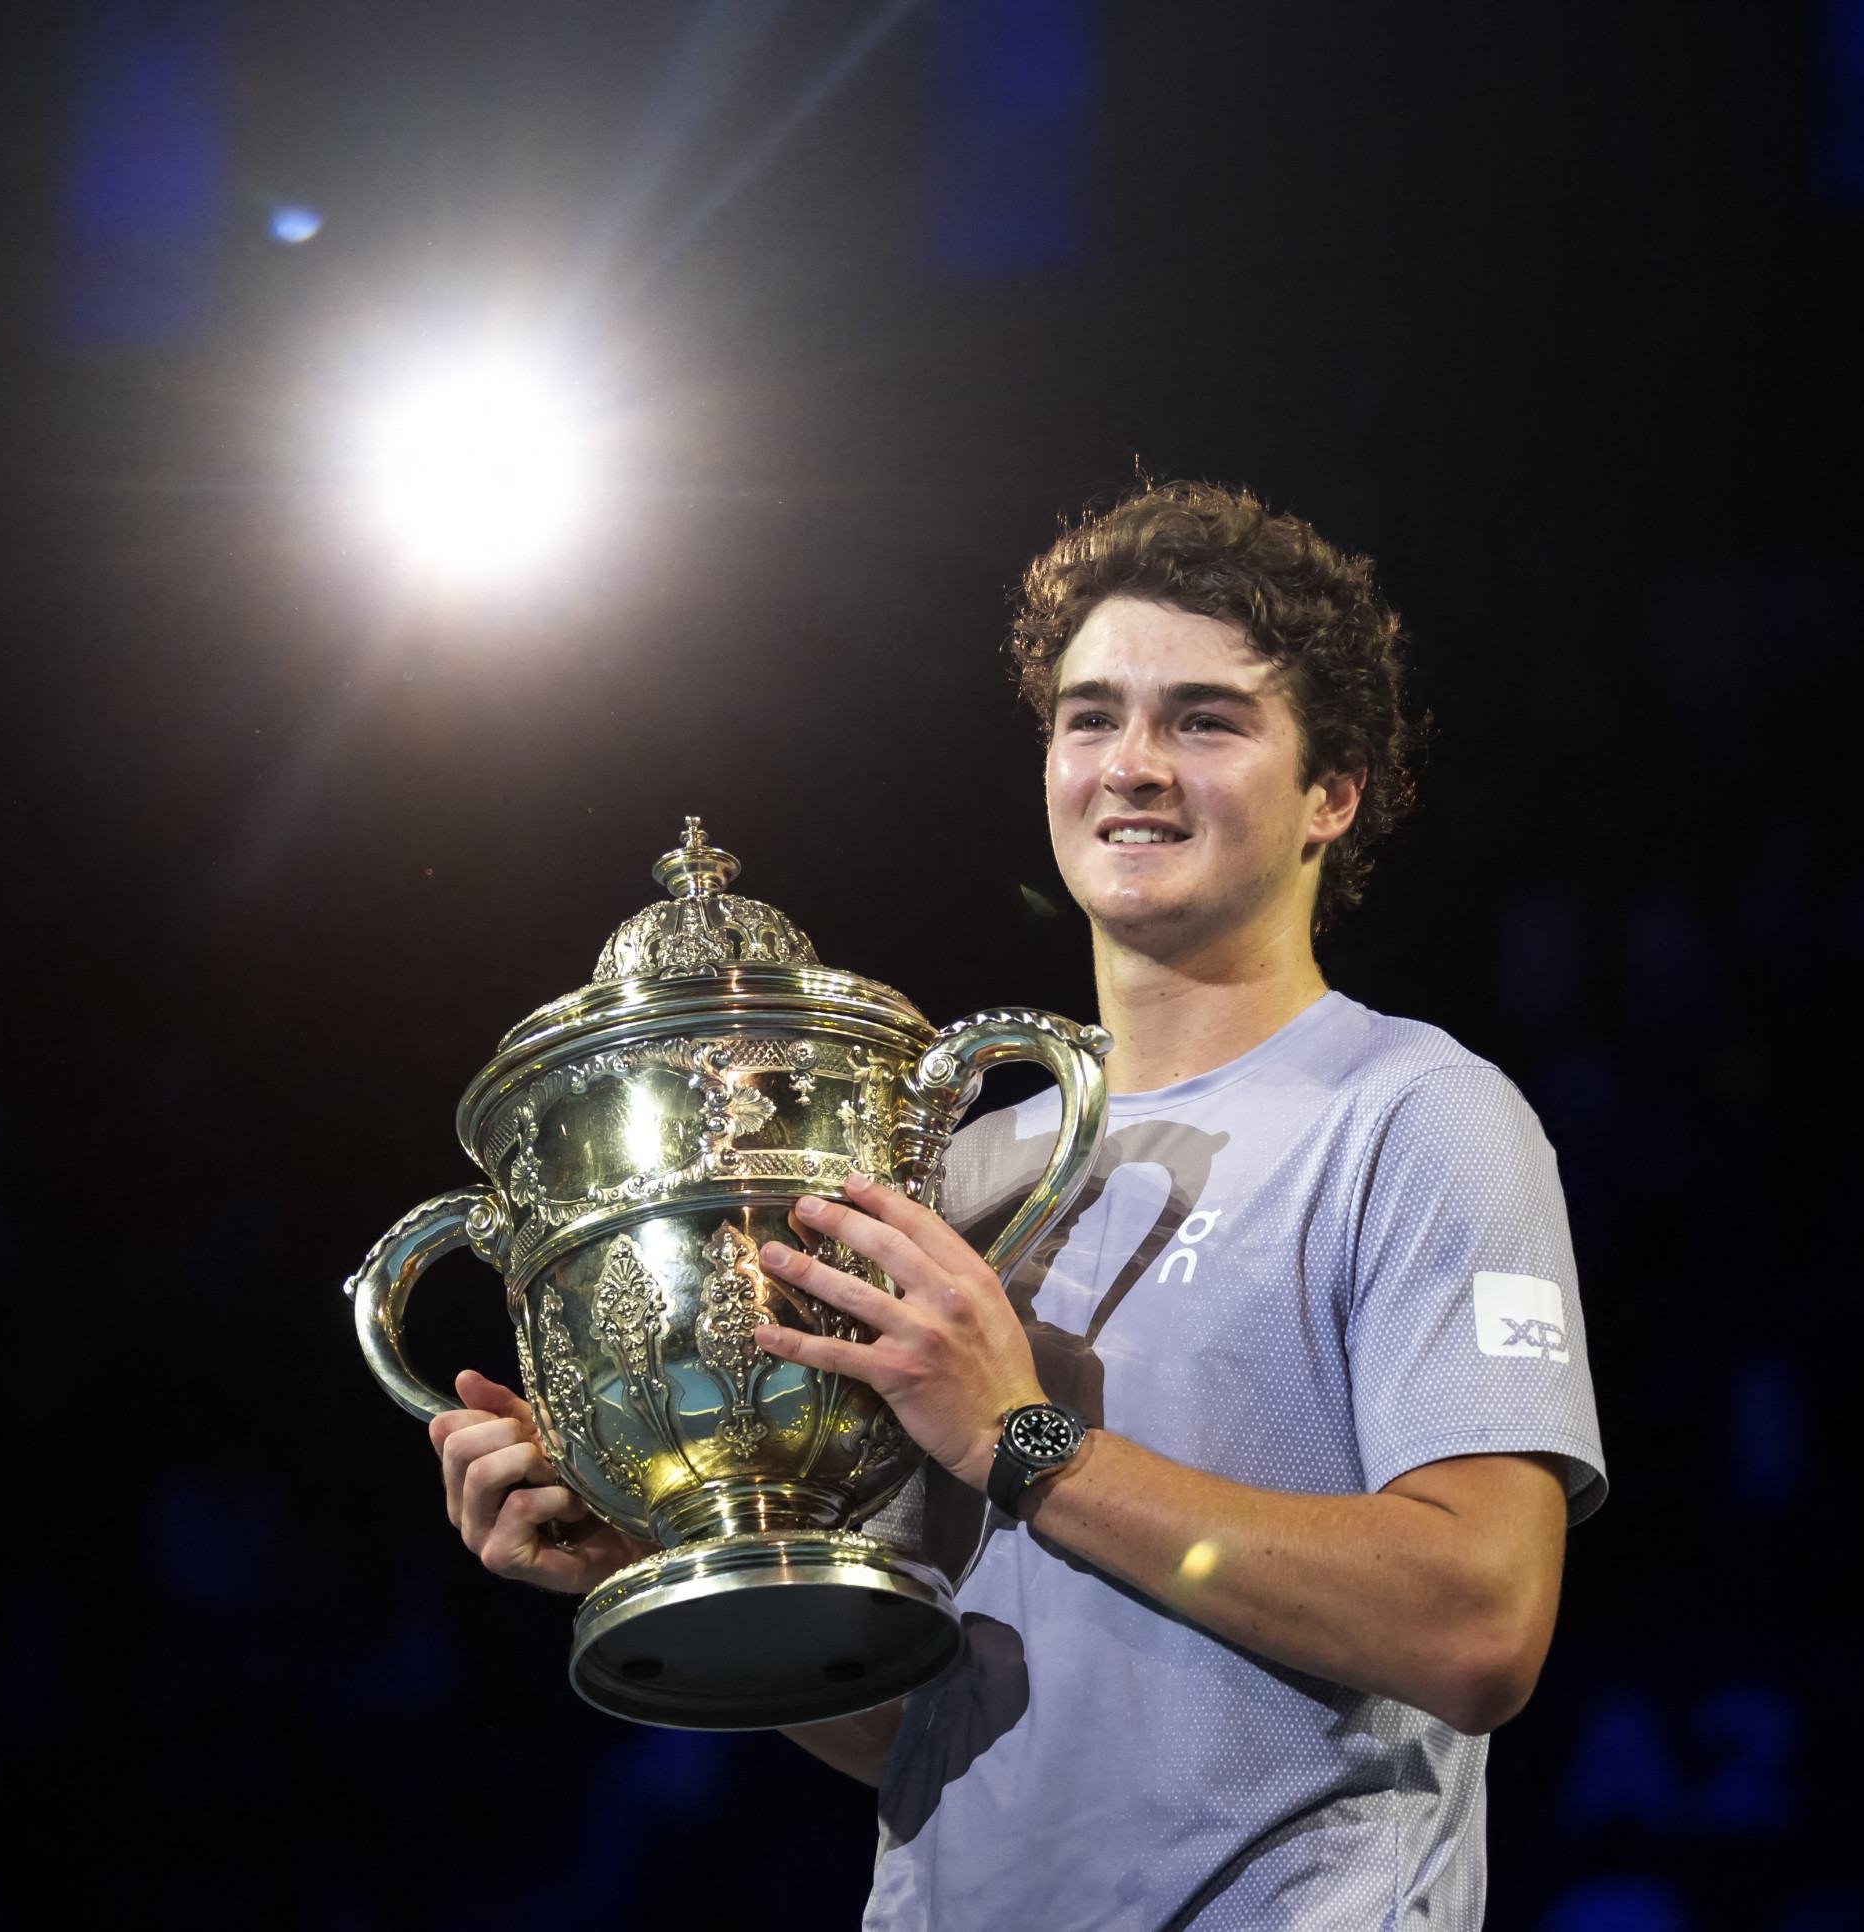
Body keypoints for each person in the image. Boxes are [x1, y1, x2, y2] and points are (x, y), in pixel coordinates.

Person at [428, 479, 1607, 1928]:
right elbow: (916, 1726)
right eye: (1091, 716)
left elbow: (1480, 1624)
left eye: (1208, 720)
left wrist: (1030, 1444)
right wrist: (680, 1555)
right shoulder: (959, 1172)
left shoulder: (1418, 1116)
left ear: (1334, 794)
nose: (1135, 766)